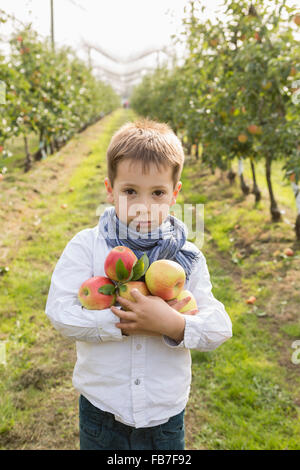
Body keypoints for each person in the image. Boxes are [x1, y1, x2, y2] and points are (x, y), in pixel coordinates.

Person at [45, 118, 232, 450]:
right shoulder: (88, 247)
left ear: (174, 194)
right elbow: (60, 313)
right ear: (109, 190)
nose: (143, 206)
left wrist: (173, 324)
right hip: (102, 411)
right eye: (130, 191)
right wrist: (128, 323)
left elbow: (219, 327)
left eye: (157, 193)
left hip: (164, 416)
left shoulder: (187, 258)